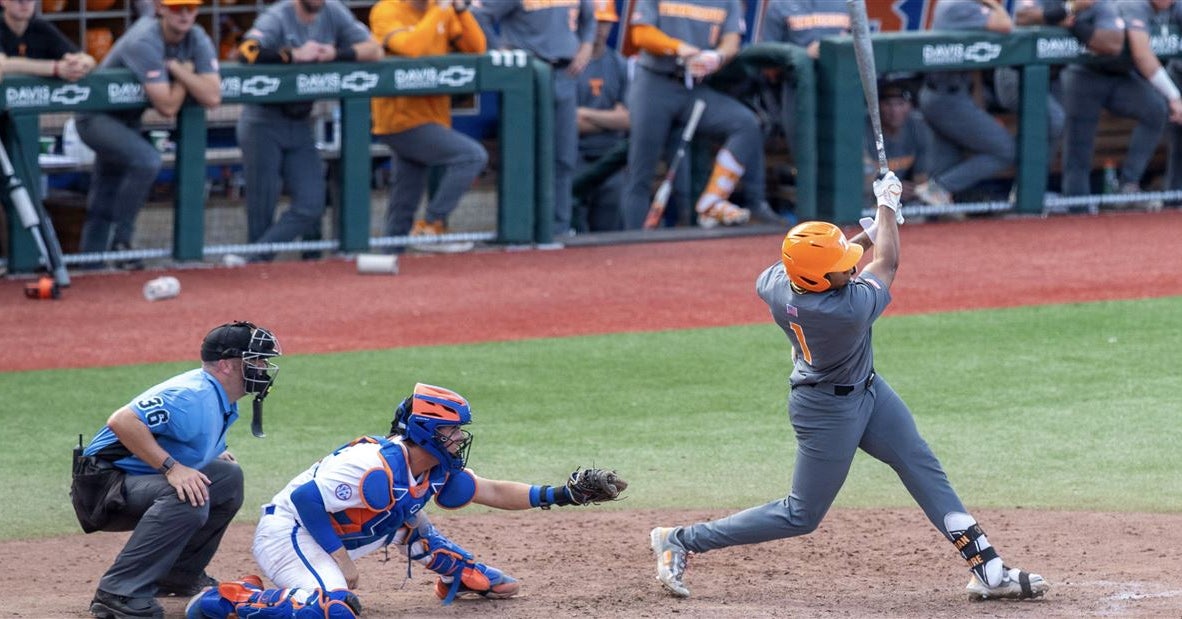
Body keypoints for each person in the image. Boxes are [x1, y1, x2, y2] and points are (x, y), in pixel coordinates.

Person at [649, 171, 1051, 603]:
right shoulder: (845, 312)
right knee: (800, 514)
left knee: (920, 464)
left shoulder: (775, 283)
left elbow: (837, 264)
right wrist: (887, 208)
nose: (850, 267)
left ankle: (987, 568)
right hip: (826, 412)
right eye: (842, 267)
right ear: (821, 282)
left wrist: (867, 234)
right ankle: (682, 539)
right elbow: (888, 264)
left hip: (869, 392)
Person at [184, 383, 627, 618]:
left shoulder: (433, 470)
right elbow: (304, 499)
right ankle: (231, 599)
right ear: (425, 431)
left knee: (411, 520)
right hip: (290, 534)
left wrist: (564, 494)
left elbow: (491, 490)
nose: (459, 439)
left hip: (342, 532)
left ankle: (459, 573)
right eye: (452, 431)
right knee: (334, 608)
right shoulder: (371, 465)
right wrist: (341, 561)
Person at [75, 321, 281, 619]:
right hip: (100, 487)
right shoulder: (191, 396)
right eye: (255, 360)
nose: (262, 368)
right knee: (188, 494)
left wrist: (210, 453)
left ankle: (179, 574)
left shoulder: (217, 397)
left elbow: (177, 435)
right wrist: (172, 467)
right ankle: (118, 592)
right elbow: (121, 421)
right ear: (226, 365)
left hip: (130, 479)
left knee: (226, 478)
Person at [75, 0, 221, 269]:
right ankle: (121, 242)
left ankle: (90, 263)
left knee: (105, 193)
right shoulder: (144, 38)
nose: (185, 14)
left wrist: (176, 70)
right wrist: (183, 76)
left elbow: (213, 96)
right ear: (162, 9)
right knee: (146, 161)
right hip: (95, 115)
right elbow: (167, 106)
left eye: (191, 8)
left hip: (128, 118)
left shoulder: (197, 36)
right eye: (178, 8)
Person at [235, 0, 383, 261]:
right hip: (263, 120)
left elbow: (375, 50)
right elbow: (246, 50)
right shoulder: (278, 16)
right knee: (261, 209)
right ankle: (254, 273)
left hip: (301, 121)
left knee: (312, 204)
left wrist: (336, 53)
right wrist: (292, 55)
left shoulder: (334, 12)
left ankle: (252, 257)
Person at [620, 0, 765, 230]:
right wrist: (678, 47)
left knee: (745, 123)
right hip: (655, 83)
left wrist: (716, 57)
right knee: (641, 174)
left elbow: (731, 39)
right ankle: (632, 244)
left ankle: (712, 201)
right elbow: (640, 34)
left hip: (694, 88)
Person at [370, 0, 487, 253]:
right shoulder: (386, 10)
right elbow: (414, 48)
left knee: (404, 202)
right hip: (398, 119)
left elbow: (477, 48)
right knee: (471, 156)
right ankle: (432, 222)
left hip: (432, 115)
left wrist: (460, 11)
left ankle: (389, 256)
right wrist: (440, 10)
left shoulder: (440, 8)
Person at [474, 0, 595, 238]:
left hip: (564, 73)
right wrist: (498, 48)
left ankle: (559, 228)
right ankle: (522, 229)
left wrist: (587, 45)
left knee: (563, 157)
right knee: (524, 158)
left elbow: (590, 17)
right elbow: (478, 15)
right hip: (527, 76)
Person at [1057, 0, 1182, 208]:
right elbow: (1142, 55)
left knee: (1155, 110)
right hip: (1086, 73)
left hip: (1121, 75)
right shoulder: (1135, 5)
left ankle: (1128, 185)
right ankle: (1076, 210)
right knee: (1079, 147)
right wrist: (1175, 97)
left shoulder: (1173, 7)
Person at [916, 0, 1015, 207]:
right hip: (945, 97)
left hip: (950, 93)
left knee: (947, 161)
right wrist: (993, 5)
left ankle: (934, 206)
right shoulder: (957, 5)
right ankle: (940, 186)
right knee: (1005, 150)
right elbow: (1005, 25)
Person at [756, 0, 849, 162]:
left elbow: (865, 46)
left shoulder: (849, 2)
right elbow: (767, 63)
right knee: (806, 162)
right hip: (799, 91)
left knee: (845, 160)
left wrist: (843, 45)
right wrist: (803, 55)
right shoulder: (779, 5)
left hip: (842, 89)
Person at [574, 0, 630, 232]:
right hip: (575, 156)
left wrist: (585, 113)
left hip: (610, 159)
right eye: (596, 22)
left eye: (605, 23)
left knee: (610, 235)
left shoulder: (619, 63)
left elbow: (628, 120)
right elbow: (569, 123)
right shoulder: (570, 62)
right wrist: (610, 119)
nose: (600, 28)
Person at [863, 80, 931, 208]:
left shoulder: (917, 126)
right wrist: (894, 188)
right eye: (888, 104)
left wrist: (914, 189)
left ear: (910, 105)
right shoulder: (864, 129)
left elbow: (921, 179)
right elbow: (864, 183)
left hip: (901, 199)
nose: (894, 111)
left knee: (934, 202)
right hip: (870, 199)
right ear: (877, 107)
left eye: (901, 104)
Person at [0, 0, 95, 80]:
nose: (25, 4)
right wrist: (55, 68)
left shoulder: (42, 27)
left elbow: (87, 59)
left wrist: (77, 66)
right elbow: (3, 64)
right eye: (19, 0)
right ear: (3, 1)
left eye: (30, 0)